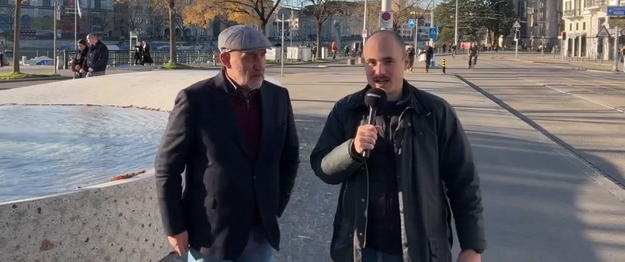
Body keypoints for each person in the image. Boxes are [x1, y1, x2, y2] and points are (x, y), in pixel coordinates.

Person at [310, 30, 485, 262]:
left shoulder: (434, 112)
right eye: (371, 62)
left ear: (406, 62)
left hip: (420, 250)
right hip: (359, 251)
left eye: (388, 62)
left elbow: (463, 182)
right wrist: (351, 150)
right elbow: (323, 167)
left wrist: (472, 246)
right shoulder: (347, 110)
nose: (379, 71)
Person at [155, 25, 300, 262]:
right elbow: (167, 168)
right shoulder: (195, 100)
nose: (260, 65)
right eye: (250, 57)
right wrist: (175, 226)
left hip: (261, 232)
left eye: (262, 55)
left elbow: (290, 156)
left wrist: (275, 205)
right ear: (225, 59)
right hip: (212, 236)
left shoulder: (278, 97)